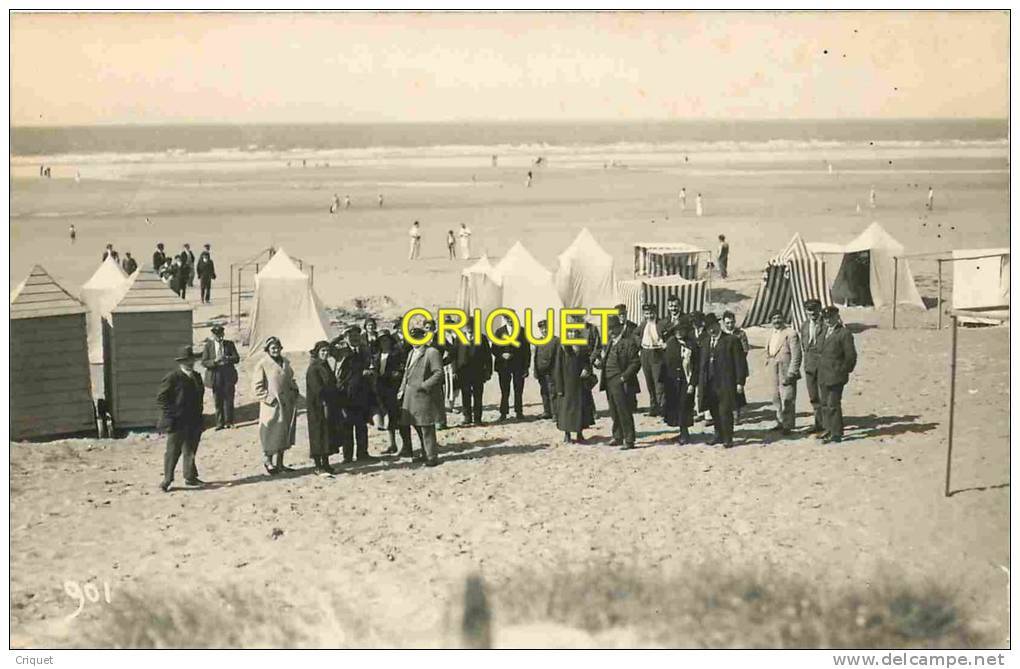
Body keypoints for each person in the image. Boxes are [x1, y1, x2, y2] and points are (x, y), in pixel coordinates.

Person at [156, 345, 205, 492]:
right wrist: (172, 415)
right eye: (186, 361)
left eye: (191, 360)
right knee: (173, 451)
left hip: (194, 420)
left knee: (190, 449)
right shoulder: (173, 377)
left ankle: (190, 477)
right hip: (177, 422)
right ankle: (167, 480)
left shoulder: (196, 376)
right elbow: (161, 398)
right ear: (180, 362)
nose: (189, 363)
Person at [697, 313, 747, 448]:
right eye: (708, 329)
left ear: (718, 325)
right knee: (714, 410)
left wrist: (740, 382)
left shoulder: (731, 340)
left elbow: (740, 363)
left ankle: (728, 437)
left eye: (713, 327)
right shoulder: (706, 342)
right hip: (709, 383)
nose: (711, 330)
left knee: (725, 411)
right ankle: (718, 434)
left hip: (726, 383)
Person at [253, 336, 300, 475]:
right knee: (270, 434)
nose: (276, 350)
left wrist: (294, 390)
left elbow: (290, 378)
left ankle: (280, 463)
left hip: (287, 404)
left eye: (278, 347)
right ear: (267, 350)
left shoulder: (285, 362)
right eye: (273, 348)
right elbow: (257, 387)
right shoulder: (262, 364)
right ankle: (268, 462)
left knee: (284, 433)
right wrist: (269, 399)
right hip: (272, 406)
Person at [398, 326, 445, 467]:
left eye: (417, 337)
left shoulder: (431, 352)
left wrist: (424, 386)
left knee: (426, 426)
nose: (414, 341)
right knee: (416, 424)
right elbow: (406, 374)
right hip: (410, 396)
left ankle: (432, 456)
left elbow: (438, 373)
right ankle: (425, 453)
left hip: (425, 396)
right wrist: (401, 389)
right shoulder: (411, 352)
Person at [333, 325, 379, 464]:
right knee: (347, 426)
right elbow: (328, 348)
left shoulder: (364, 350)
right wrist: (340, 337)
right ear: (346, 337)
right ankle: (347, 457)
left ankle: (362, 453)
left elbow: (371, 364)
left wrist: (369, 372)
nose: (354, 338)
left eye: (356, 336)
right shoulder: (341, 351)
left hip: (362, 393)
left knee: (361, 426)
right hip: (346, 394)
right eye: (351, 336)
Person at [599, 315, 642, 450]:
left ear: (619, 328)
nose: (609, 332)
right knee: (614, 411)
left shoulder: (628, 343)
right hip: (609, 381)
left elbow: (635, 363)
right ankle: (618, 436)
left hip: (621, 381)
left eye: (612, 329)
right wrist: (600, 363)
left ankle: (629, 439)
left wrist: (624, 377)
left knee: (624, 411)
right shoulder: (609, 343)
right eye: (608, 329)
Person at [553, 315, 596, 443]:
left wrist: (586, 369)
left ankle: (579, 433)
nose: (572, 334)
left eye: (574, 332)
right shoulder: (562, 348)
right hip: (566, 386)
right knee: (566, 411)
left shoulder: (582, 347)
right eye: (570, 332)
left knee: (580, 410)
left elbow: (587, 361)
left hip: (580, 384)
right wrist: (559, 388)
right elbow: (557, 368)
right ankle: (567, 435)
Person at [817, 306, 857, 444]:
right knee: (824, 404)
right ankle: (828, 429)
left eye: (830, 318)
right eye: (826, 318)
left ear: (837, 317)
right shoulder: (823, 332)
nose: (828, 320)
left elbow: (851, 356)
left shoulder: (844, 333)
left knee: (833, 404)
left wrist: (843, 370)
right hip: (823, 374)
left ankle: (836, 433)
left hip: (835, 375)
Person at [763, 310, 802, 435]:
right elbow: (767, 351)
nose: (776, 321)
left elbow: (796, 355)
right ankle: (780, 421)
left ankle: (788, 425)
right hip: (773, 368)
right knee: (775, 397)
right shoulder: (770, 334)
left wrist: (792, 372)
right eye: (774, 318)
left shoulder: (791, 333)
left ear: (783, 318)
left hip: (786, 369)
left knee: (788, 397)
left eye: (779, 318)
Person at [375, 333, 413, 457]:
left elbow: (403, 369)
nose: (384, 343)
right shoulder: (377, 355)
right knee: (389, 418)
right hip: (382, 389)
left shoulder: (397, 354)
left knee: (400, 418)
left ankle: (407, 446)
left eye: (386, 340)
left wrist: (396, 374)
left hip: (394, 389)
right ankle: (392, 444)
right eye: (382, 341)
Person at [663, 317, 699, 444]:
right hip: (673, 381)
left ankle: (685, 433)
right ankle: (681, 431)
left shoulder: (692, 345)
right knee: (675, 406)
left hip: (686, 380)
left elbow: (696, 366)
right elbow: (665, 363)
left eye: (681, 330)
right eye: (676, 330)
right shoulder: (670, 344)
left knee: (685, 406)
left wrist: (693, 383)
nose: (679, 332)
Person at [306, 341, 340, 475]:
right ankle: (318, 466)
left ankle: (326, 464)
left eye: (327, 351)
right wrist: (327, 396)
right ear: (317, 353)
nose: (325, 354)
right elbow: (317, 389)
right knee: (318, 434)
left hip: (328, 404)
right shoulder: (313, 368)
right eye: (323, 351)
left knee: (327, 435)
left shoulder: (325, 365)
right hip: (318, 406)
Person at [491, 318, 531, 421]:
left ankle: (519, 412)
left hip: (518, 365)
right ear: (504, 319)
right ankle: (503, 413)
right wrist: (501, 355)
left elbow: (527, 350)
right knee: (504, 390)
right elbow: (494, 348)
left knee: (518, 390)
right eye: (507, 318)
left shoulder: (522, 331)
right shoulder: (499, 331)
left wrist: (526, 367)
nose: (510, 320)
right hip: (503, 366)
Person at [453, 318, 492, 425]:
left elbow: (488, 356)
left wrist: (488, 371)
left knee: (478, 396)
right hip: (463, 372)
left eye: (471, 325)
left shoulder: (482, 338)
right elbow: (454, 355)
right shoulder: (459, 338)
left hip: (478, 372)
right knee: (465, 395)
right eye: (466, 325)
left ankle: (478, 418)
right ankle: (467, 417)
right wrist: (454, 370)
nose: (468, 327)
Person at [201, 324, 240, 430]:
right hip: (215, 375)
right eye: (216, 334)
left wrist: (227, 358)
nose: (218, 336)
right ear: (212, 335)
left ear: (223, 334)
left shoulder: (229, 344)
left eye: (220, 334)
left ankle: (229, 422)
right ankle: (219, 423)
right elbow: (204, 362)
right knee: (218, 400)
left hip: (228, 374)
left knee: (229, 399)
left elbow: (237, 358)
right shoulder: (208, 346)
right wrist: (214, 361)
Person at [799, 299, 827, 433]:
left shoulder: (826, 325)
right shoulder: (804, 326)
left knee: (825, 396)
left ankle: (827, 425)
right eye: (809, 310)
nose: (812, 313)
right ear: (805, 311)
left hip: (824, 365)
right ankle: (818, 423)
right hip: (809, 365)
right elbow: (804, 345)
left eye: (815, 310)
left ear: (820, 309)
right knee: (813, 396)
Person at [636, 303, 668, 417]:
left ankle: (662, 409)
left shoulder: (661, 324)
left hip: (657, 353)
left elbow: (668, 337)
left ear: (655, 313)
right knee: (649, 382)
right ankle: (653, 407)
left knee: (658, 383)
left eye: (651, 313)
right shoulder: (643, 324)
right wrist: (639, 344)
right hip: (645, 353)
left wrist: (664, 344)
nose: (649, 315)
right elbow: (635, 334)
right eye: (647, 313)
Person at [720, 310, 749, 420]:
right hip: (724, 367)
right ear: (723, 323)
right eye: (727, 323)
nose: (730, 325)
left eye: (732, 322)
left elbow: (745, 350)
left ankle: (737, 412)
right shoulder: (721, 334)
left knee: (738, 389)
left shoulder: (740, 334)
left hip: (737, 365)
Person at [532, 319, 558, 420]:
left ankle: (555, 413)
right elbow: (536, 357)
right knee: (544, 392)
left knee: (553, 393)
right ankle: (547, 411)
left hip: (552, 372)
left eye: (546, 328)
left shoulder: (556, 341)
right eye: (542, 329)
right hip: (541, 372)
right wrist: (536, 371)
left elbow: (558, 357)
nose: (544, 330)